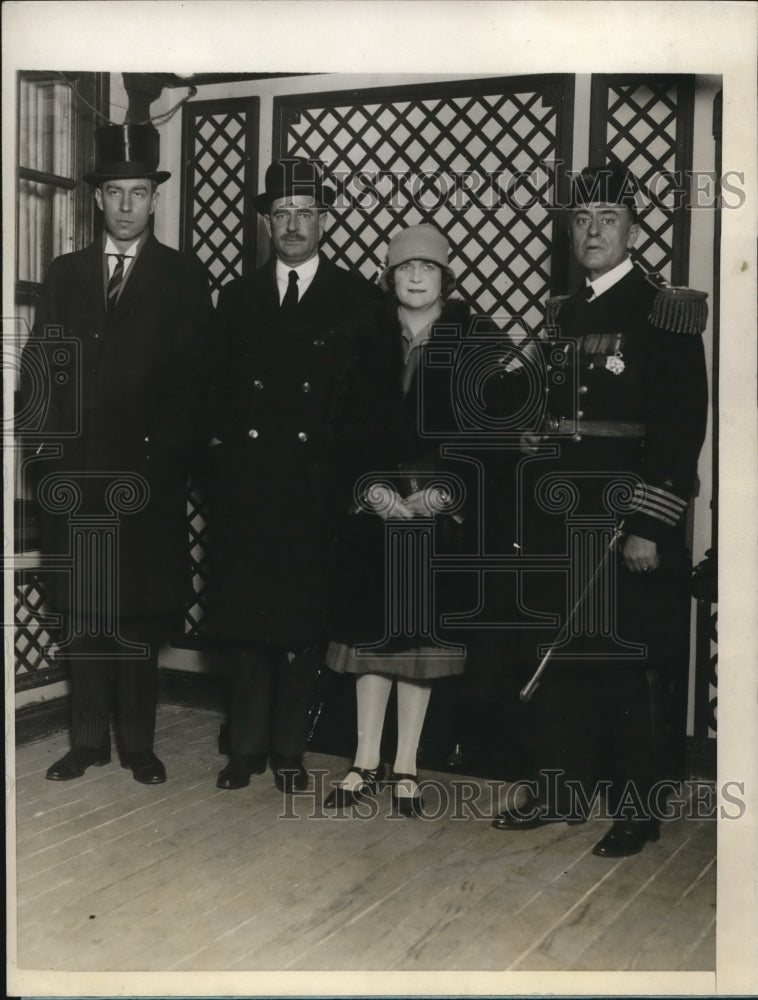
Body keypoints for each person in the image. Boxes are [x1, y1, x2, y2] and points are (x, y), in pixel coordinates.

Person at [491, 163, 708, 856]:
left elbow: (682, 426)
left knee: (632, 661)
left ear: (633, 229)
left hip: (629, 519)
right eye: (581, 220)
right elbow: (553, 410)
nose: (592, 232)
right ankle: (561, 791)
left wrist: (649, 522)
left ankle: (640, 809)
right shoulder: (562, 311)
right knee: (564, 657)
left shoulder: (664, 308)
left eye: (607, 219)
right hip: (563, 515)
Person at [20, 123, 213, 784]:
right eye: (115, 192)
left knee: (136, 612)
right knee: (83, 613)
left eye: (139, 192)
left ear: (154, 200)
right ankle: (86, 742)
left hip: (146, 480)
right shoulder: (66, 274)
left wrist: (163, 471)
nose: (127, 205)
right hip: (74, 480)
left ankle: (137, 744)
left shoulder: (185, 277)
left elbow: (194, 387)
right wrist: (46, 466)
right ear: (98, 200)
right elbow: (40, 371)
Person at [206, 157, 395, 795]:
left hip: (318, 493)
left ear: (326, 219)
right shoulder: (236, 298)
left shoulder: (360, 301)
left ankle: (289, 750)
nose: (292, 224)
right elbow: (214, 400)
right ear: (265, 222)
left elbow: (376, 411)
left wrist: (352, 486)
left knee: (304, 629)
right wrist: (220, 478)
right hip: (249, 491)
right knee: (247, 627)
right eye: (280, 213)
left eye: (304, 213)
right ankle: (244, 749)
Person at [324, 223, 484, 817]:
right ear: (389, 276)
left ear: (447, 277)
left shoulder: (474, 338)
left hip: (437, 513)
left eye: (429, 268)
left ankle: (407, 765)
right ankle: (364, 761)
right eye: (405, 268)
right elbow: (337, 427)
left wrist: (446, 493)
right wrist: (371, 492)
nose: (416, 277)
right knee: (372, 637)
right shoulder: (360, 335)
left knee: (419, 642)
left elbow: (487, 436)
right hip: (374, 509)